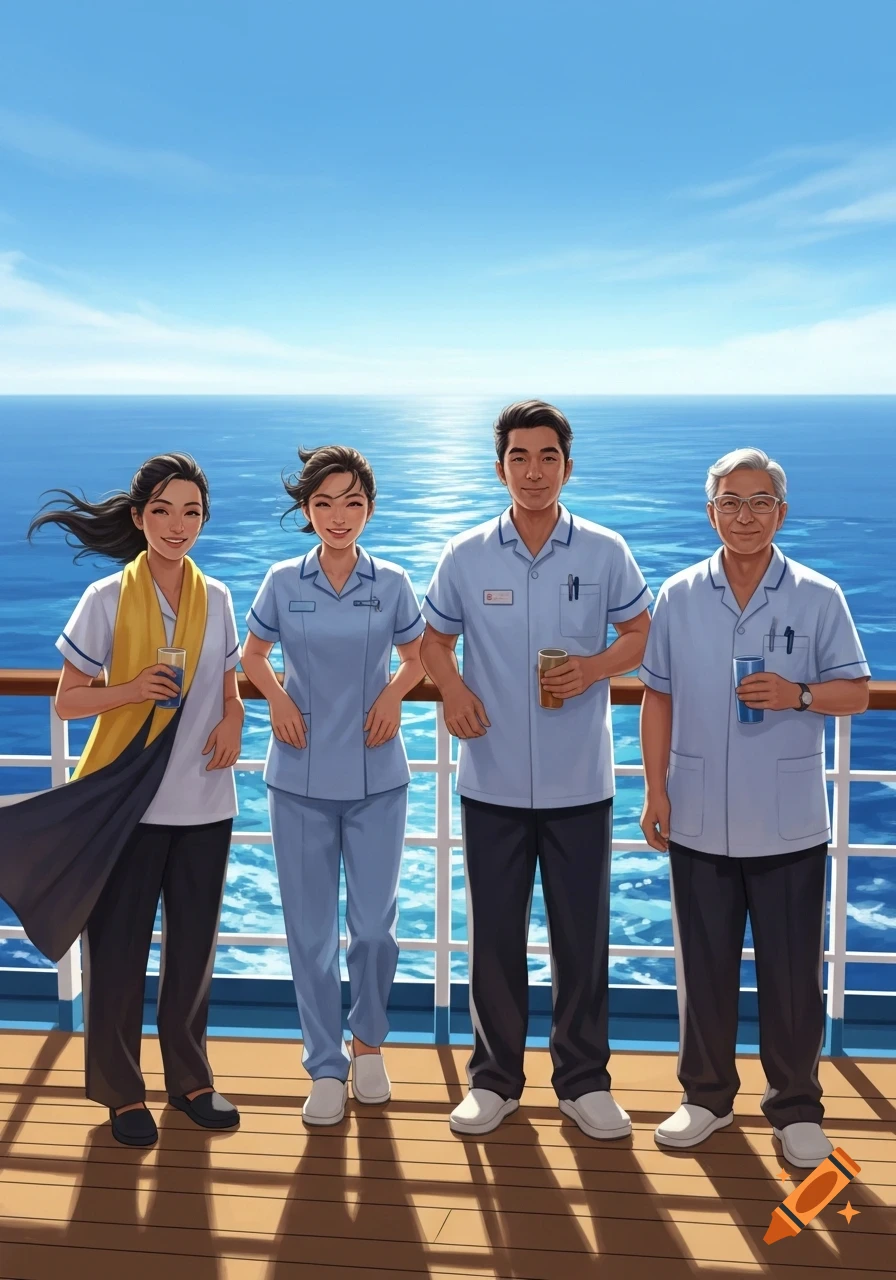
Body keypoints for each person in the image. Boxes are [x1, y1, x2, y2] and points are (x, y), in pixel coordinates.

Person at [420, 400, 651, 1138]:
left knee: (582, 938)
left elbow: (642, 633)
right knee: (494, 937)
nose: (533, 471)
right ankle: (495, 1081)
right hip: (488, 779)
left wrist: (592, 671)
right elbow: (431, 641)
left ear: (567, 467)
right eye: (519, 457)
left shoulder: (605, 551)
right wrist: (452, 689)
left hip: (580, 781)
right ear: (500, 469)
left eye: (547, 457)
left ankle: (584, 1083)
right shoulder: (464, 554)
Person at [0, 453, 244, 1147]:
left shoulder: (218, 599)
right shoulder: (105, 600)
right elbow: (68, 702)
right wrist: (132, 689)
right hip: (127, 806)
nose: (177, 524)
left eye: (192, 511)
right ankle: (120, 1090)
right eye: (163, 510)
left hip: (205, 803)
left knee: (192, 954)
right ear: (138, 518)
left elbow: (228, 693)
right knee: (118, 954)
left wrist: (232, 721)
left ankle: (190, 1080)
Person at [639, 447, 870, 1168]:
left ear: (782, 512)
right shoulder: (677, 596)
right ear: (711, 514)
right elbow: (658, 696)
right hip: (699, 810)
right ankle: (705, 1099)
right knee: (702, 967)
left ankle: (796, 1107)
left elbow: (856, 692)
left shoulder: (818, 595)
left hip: (788, 818)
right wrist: (655, 789)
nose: (745, 515)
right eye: (731, 502)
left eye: (759, 501)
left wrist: (798, 694)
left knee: (792, 974)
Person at [241, 444, 424, 1126]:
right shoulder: (283, 582)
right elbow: (252, 655)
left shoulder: (394, 582)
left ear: (370, 509)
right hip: (298, 777)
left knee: (374, 929)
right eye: (323, 503)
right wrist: (279, 701)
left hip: (379, 774)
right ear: (306, 510)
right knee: (309, 933)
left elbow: (421, 655)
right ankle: (324, 1064)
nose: (338, 516)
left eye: (352, 502)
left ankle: (368, 1043)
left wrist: (394, 695)